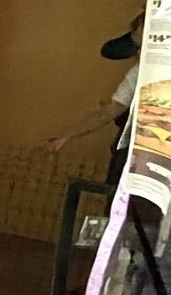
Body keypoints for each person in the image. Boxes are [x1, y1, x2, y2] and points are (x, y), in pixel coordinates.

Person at [43, 13, 144, 182]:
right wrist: (66, 135)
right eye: (136, 48)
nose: (138, 54)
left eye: (142, 46)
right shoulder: (137, 73)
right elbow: (110, 110)